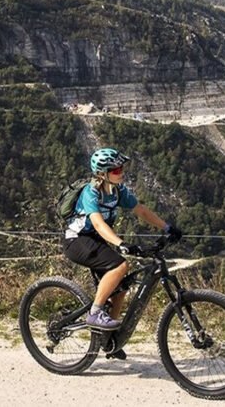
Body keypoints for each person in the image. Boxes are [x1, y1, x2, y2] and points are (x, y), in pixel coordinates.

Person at [63, 148, 183, 353]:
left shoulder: (118, 191)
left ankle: (108, 340)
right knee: (120, 265)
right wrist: (121, 244)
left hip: (97, 241)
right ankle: (95, 312)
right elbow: (99, 225)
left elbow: (141, 210)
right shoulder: (90, 192)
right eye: (116, 170)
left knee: (121, 287)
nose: (121, 172)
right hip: (77, 241)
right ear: (102, 173)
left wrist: (167, 227)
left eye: (121, 168)